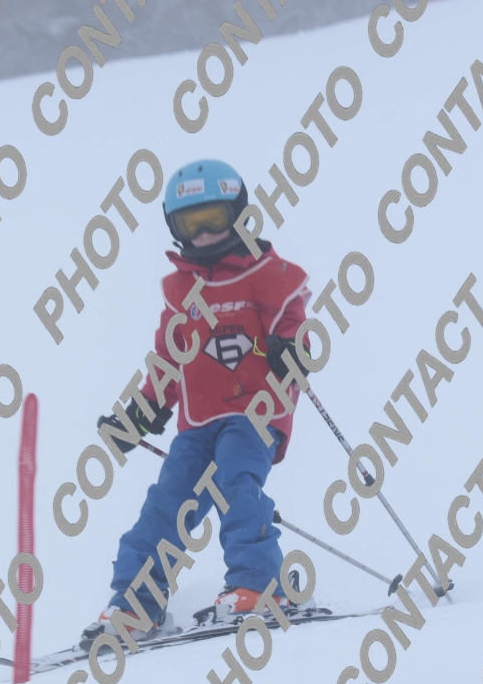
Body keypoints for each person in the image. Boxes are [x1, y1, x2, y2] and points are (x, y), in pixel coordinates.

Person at [82, 159, 312, 646]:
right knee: (166, 503)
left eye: (214, 219)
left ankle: (258, 585)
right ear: (175, 227)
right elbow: (169, 360)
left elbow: (294, 324)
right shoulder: (181, 291)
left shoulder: (266, 274)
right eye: (192, 224)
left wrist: (293, 350)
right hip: (197, 422)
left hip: (255, 413)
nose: (205, 234)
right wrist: (139, 414)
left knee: (235, 482)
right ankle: (137, 604)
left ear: (238, 214)